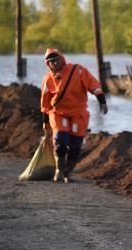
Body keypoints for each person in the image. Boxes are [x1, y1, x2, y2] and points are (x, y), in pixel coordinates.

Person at [41, 48, 108, 183]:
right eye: (51, 62)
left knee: (76, 145)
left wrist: (102, 101)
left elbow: (93, 85)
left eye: (56, 60)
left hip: (78, 113)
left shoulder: (78, 71)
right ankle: (59, 170)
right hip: (58, 114)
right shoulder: (48, 79)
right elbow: (45, 103)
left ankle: (68, 172)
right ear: (48, 64)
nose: (54, 63)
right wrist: (45, 123)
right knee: (61, 140)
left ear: (61, 59)